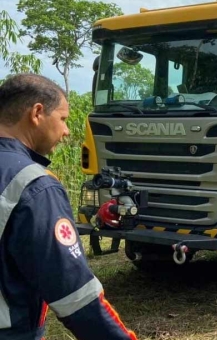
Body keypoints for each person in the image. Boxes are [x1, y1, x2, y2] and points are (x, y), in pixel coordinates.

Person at [0, 74, 137, 339]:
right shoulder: (33, 185)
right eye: (62, 119)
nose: (66, 131)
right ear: (37, 113)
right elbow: (75, 294)